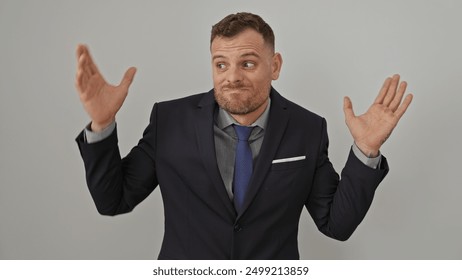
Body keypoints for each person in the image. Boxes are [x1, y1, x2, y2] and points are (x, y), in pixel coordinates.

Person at [75, 12, 413, 259]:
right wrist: (102, 125)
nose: (231, 77)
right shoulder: (170, 121)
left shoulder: (307, 129)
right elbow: (112, 201)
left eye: (247, 63)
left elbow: (336, 225)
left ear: (275, 65)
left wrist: (366, 149)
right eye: (221, 64)